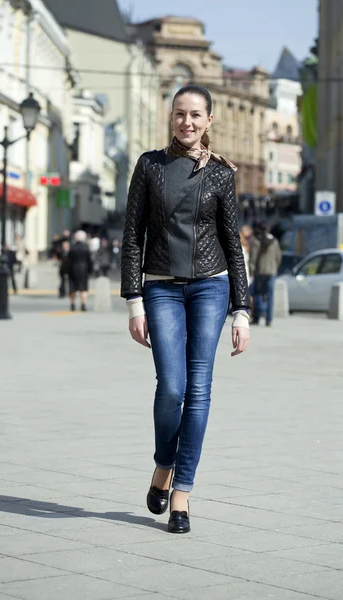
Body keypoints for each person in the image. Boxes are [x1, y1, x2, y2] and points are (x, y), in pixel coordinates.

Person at [121, 84, 250, 534]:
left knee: (199, 390)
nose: (187, 122)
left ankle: (182, 495)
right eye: (180, 114)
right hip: (160, 289)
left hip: (210, 289)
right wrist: (134, 300)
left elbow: (232, 243)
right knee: (171, 387)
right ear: (171, 117)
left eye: (196, 114)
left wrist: (242, 309)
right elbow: (132, 235)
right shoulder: (150, 166)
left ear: (209, 120)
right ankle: (163, 465)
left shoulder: (220, 174)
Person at [249, 221, 282, 327]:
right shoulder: (274, 241)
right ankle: (269, 320)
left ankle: (257, 318)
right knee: (270, 296)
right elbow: (278, 257)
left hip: (259, 271)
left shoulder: (256, 241)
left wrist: (251, 270)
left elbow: (253, 258)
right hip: (271, 272)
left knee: (257, 294)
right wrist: (274, 268)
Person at [68, 230, 92, 311]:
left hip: (73, 269)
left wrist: (67, 270)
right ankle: (83, 304)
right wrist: (90, 271)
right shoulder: (86, 248)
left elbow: (68, 260)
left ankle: (72, 304)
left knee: (72, 287)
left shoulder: (72, 247)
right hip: (84, 269)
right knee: (83, 288)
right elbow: (89, 260)